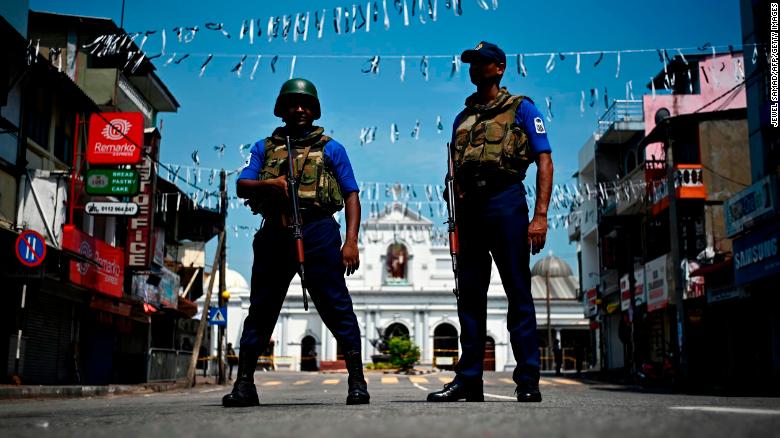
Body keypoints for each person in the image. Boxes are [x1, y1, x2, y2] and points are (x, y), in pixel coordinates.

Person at [223, 78, 369, 407]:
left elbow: (351, 194)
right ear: (282, 109)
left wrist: (351, 241)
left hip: (319, 232)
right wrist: (272, 184)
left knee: (335, 305)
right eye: (292, 104)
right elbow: (243, 185)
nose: (299, 109)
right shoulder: (264, 147)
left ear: (314, 110)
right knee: (262, 308)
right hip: (275, 233)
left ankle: (357, 381)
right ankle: (244, 383)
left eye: (305, 104)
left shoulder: (332, 148)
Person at [427, 42, 553, 403]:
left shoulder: (522, 109)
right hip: (470, 212)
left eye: (481, 64)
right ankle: (469, 380)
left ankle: (528, 380)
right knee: (469, 297)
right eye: (470, 64)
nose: (474, 69)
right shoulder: (461, 118)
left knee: (517, 292)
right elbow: (453, 170)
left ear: (499, 68)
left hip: (506, 202)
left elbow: (545, 160)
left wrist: (540, 216)